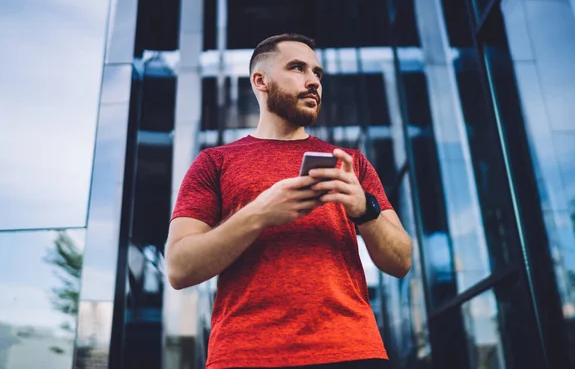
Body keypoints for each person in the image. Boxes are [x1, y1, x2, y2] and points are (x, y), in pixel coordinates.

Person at [166, 33, 412, 369]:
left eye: (317, 73)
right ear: (260, 80)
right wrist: (259, 214)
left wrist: (364, 209)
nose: (313, 81)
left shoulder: (350, 162)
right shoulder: (214, 162)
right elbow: (179, 268)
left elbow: (402, 262)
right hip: (245, 355)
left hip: (352, 350)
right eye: (298, 68)